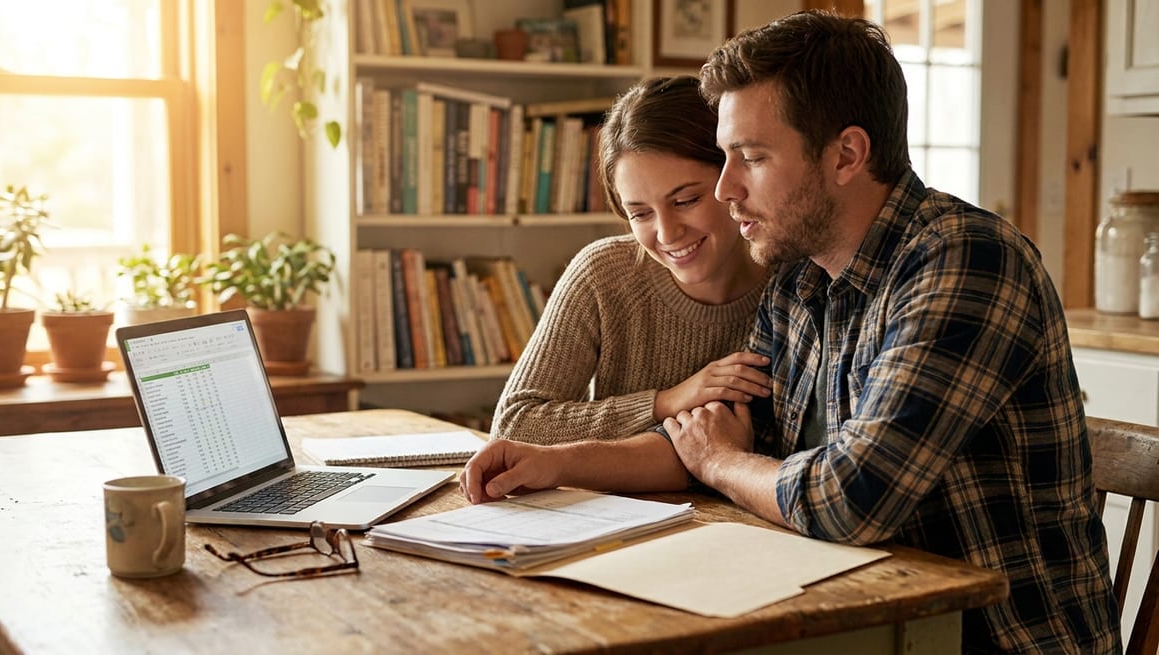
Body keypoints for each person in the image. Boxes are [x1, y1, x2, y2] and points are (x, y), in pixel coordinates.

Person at [461, 12, 1121, 653]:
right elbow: (705, 436)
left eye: (749, 157)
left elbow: (846, 499)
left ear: (846, 155)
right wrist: (551, 463)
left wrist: (724, 462)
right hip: (850, 614)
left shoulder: (965, 259)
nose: (725, 189)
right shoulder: (799, 278)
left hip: (986, 637)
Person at [489, 75, 771, 445]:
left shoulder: (794, 282)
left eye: (685, 201)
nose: (667, 234)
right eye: (640, 214)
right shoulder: (603, 273)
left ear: (734, 180)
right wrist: (665, 402)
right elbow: (515, 424)